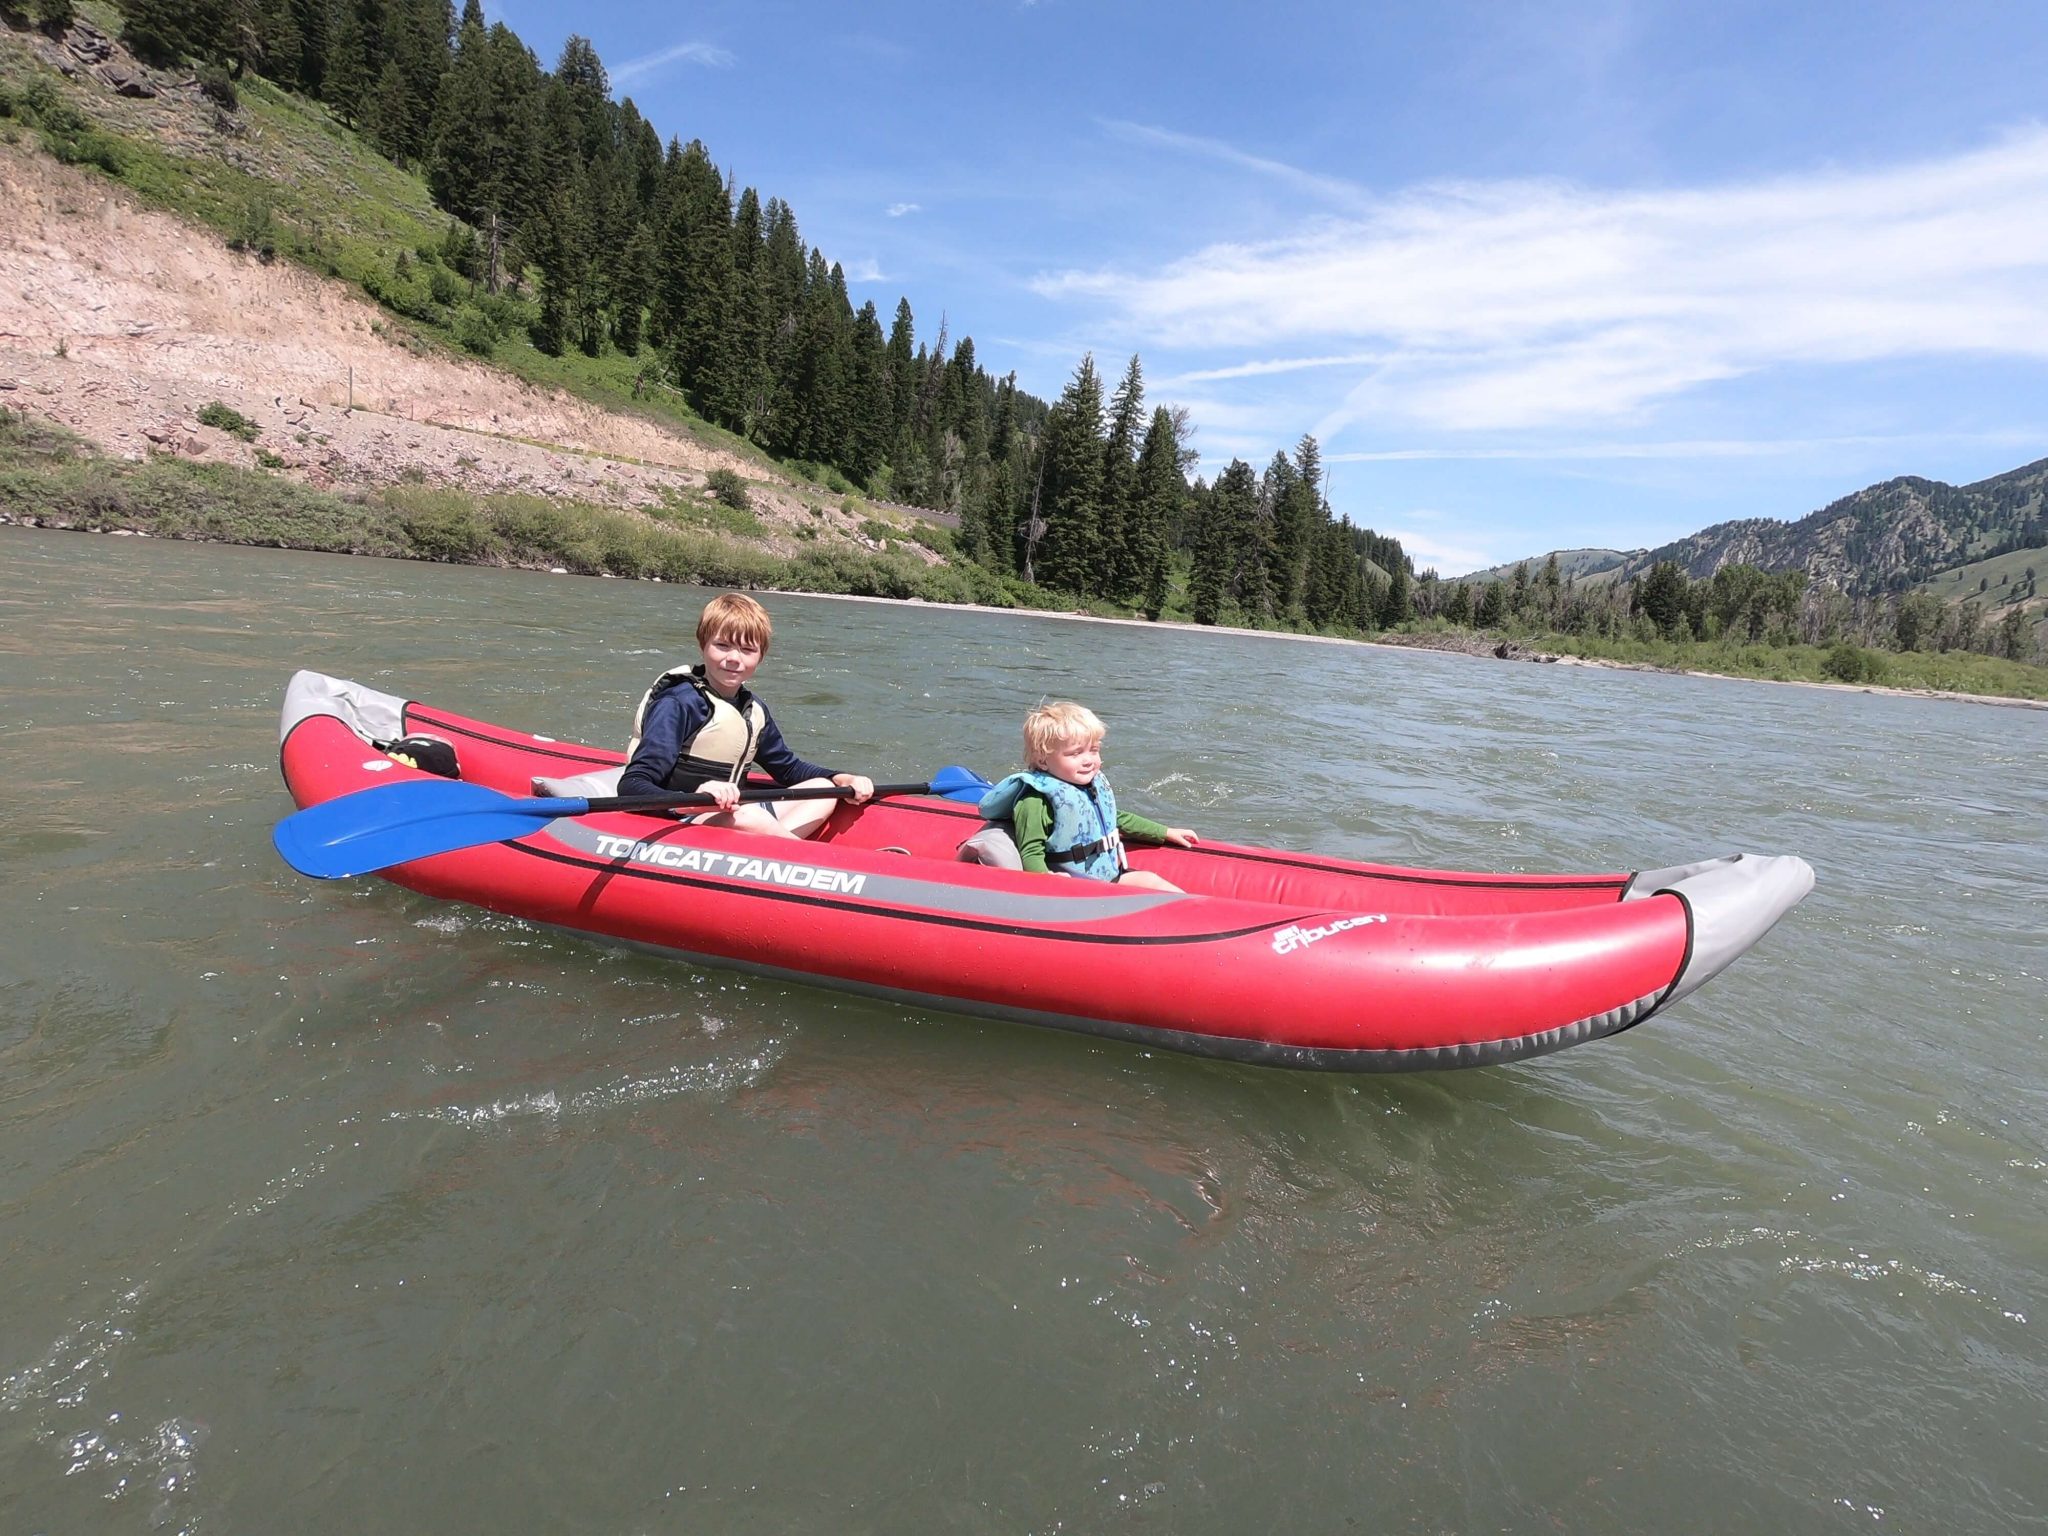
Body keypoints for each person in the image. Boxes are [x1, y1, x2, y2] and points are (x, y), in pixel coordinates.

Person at [618, 592, 872, 839]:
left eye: (747, 650)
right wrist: (692, 800)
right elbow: (633, 786)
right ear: (702, 644)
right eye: (722, 646)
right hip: (677, 819)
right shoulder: (678, 703)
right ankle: (815, 861)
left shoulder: (753, 710)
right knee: (747, 817)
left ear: (761, 656)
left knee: (824, 790)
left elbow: (788, 768)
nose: (733, 659)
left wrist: (840, 777)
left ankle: (781, 850)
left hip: (732, 813)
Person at [976, 701, 1197, 892]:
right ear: (1043, 760)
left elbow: (1116, 818)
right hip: (1074, 888)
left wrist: (1165, 832)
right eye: (1075, 753)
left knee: (1152, 881)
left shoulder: (1089, 785)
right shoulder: (1034, 800)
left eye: (1094, 750)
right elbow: (1031, 851)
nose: (1089, 760)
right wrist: (1044, 881)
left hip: (1108, 878)